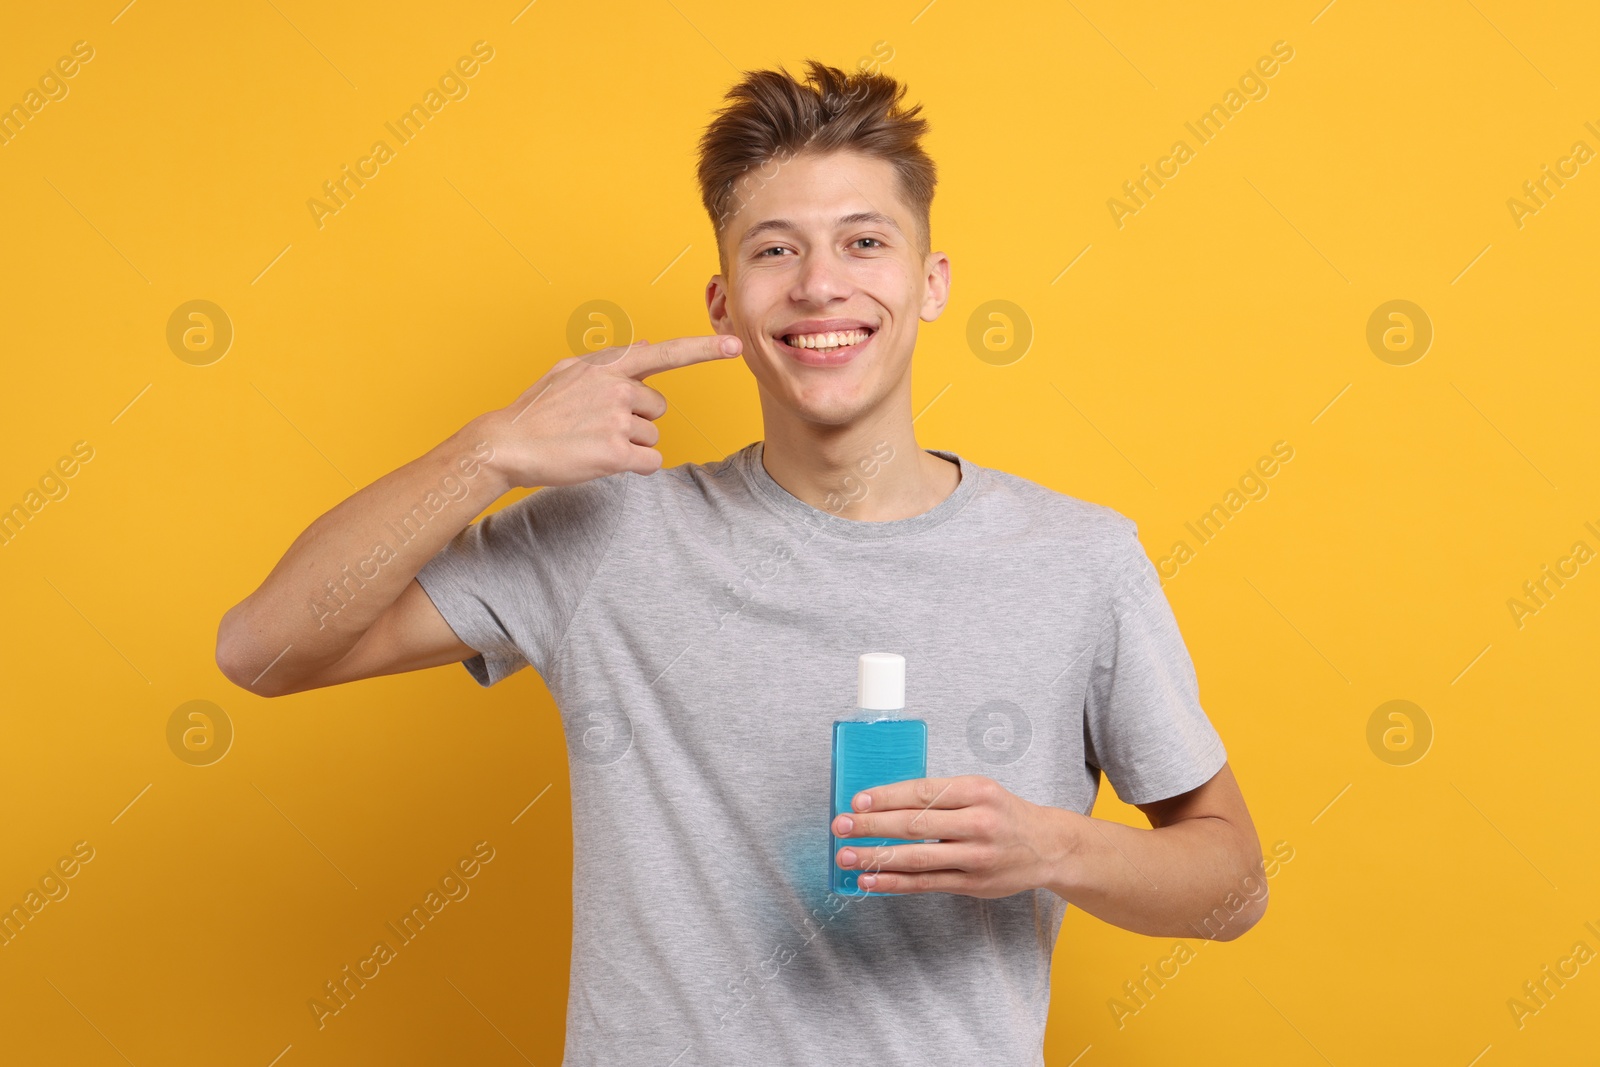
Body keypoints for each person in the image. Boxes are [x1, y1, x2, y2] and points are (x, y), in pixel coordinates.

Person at [217, 59, 1266, 1067]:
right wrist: (488, 451)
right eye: (774, 251)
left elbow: (1232, 885)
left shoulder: (1077, 558)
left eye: (864, 242)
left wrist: (1051, 850)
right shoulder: (608, 537)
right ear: (724, 303)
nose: (820, 285)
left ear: (931, 281)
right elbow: (264, 649)